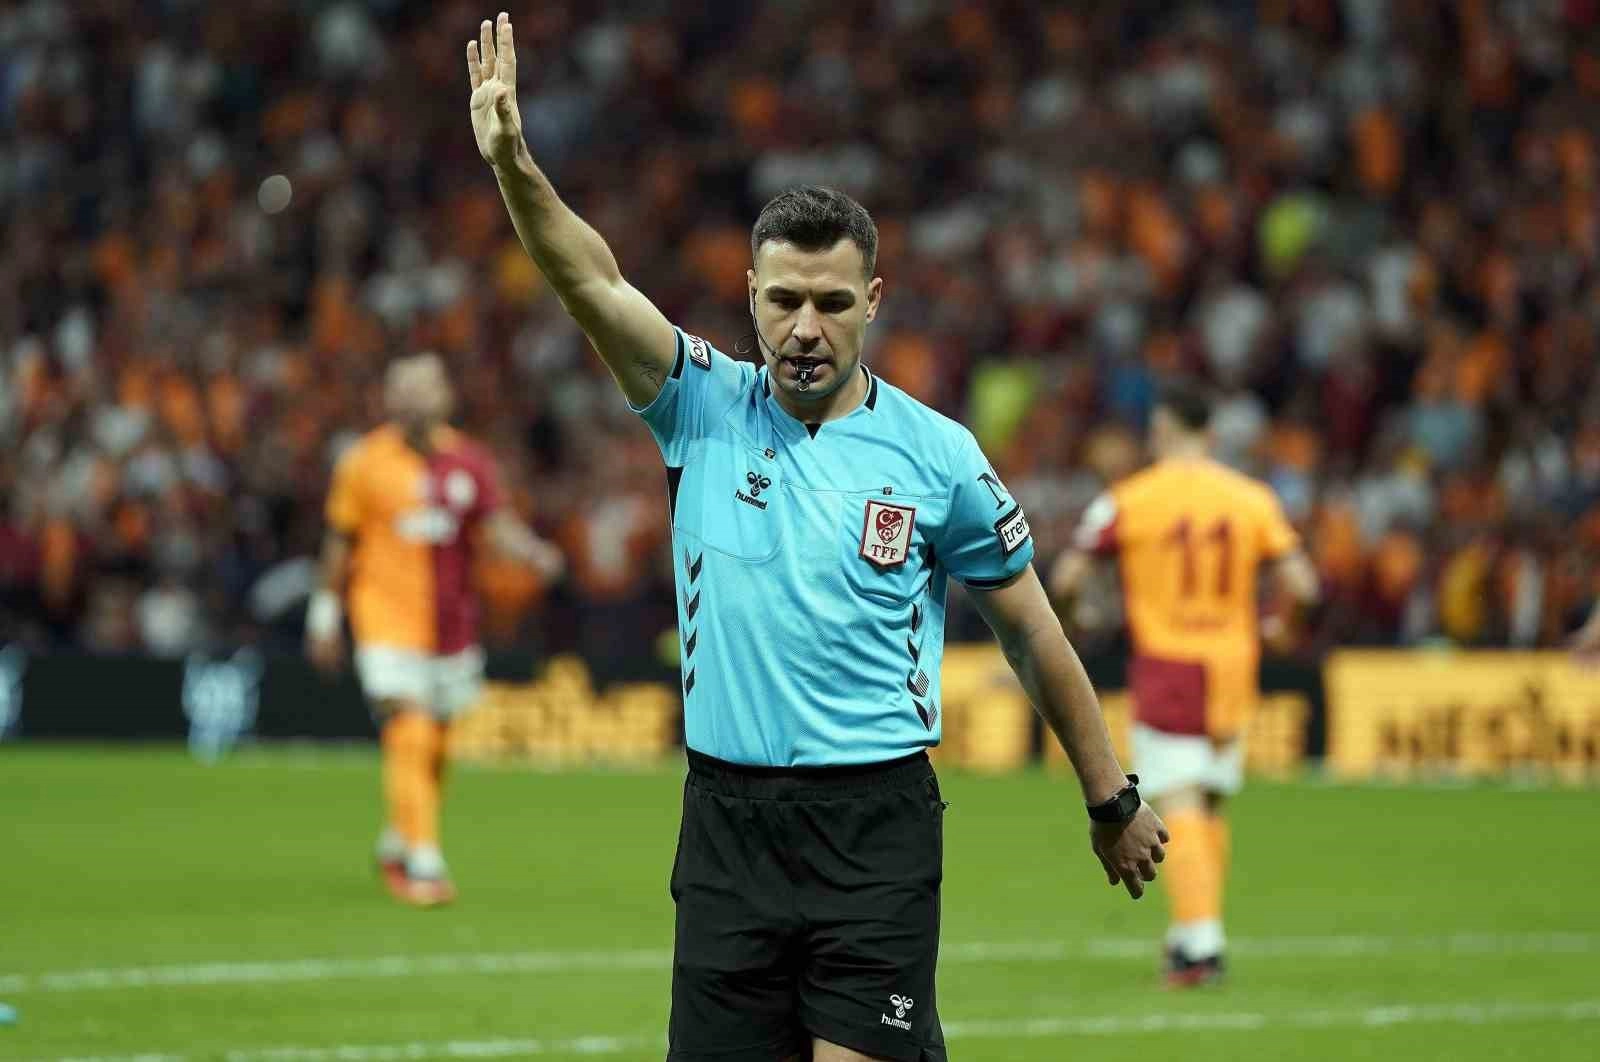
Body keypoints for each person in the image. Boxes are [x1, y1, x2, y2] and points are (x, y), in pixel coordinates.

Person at [468, 14, 1166, 1060]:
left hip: (874, 828)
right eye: (784, 300)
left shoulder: (937, 455)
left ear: (872, 302)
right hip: (727, 828)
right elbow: (591, 281)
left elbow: (1032, 632)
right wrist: (514, 164)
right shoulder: (697, 404)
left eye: (832, 303)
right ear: (749, 295)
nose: (805, 328)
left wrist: (1111, 797)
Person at [1049, 380, 1320, 988]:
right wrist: (1285, 628)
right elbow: (1304, 585)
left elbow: (1066, 577)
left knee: (1180, 801)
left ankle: (1200, 944)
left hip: (1169, 666)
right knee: (1210, 801)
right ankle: (1193, 931)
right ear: (1212, 435)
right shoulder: (1252, 498)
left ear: (1161, 431)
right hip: (1233, 667)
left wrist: (1077, 620)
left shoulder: (1129, 498)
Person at [306, 352, 563, 908]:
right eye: (403, 388)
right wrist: (324, 614)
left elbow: (496, 525)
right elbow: (339, 541)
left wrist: (533, 553)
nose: (413, 398)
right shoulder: (363, 462)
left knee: (438, 743)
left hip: (452, 627)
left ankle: (400, 836)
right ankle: (423, 859)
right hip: (384, 621)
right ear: (387, 398)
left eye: (424, 387)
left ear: (445, 396)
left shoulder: (469, 460)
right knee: (411, 726)